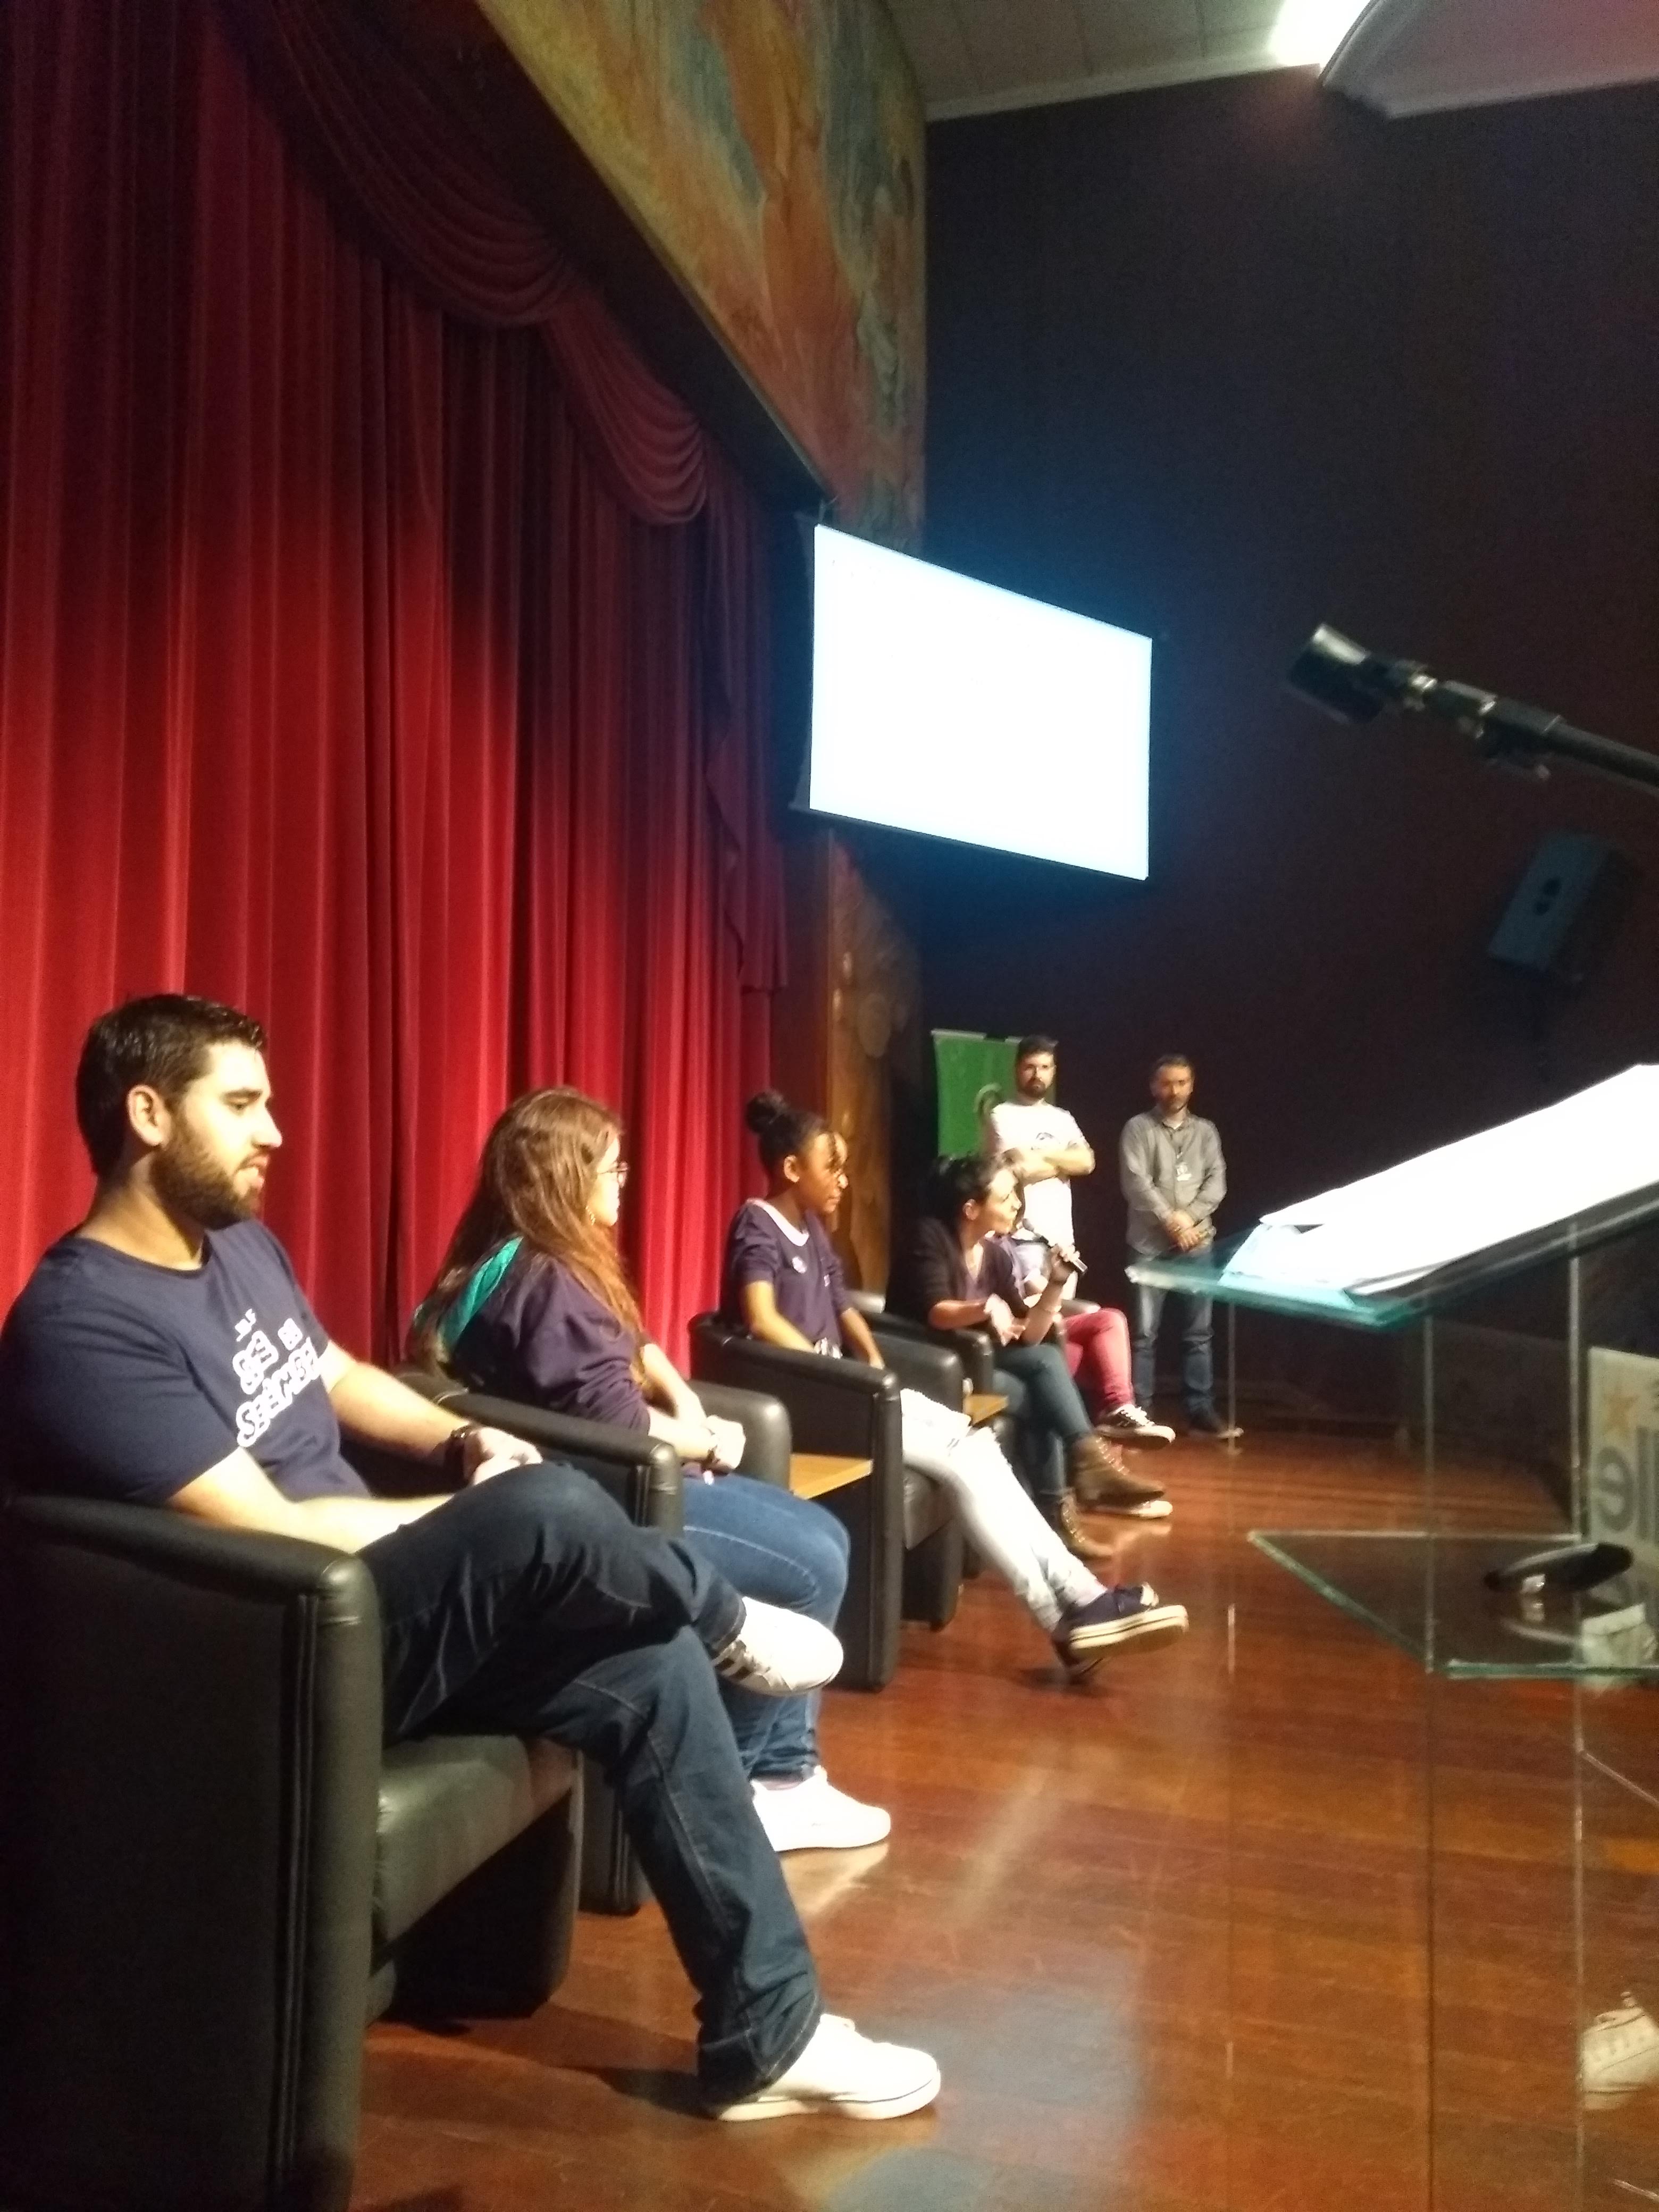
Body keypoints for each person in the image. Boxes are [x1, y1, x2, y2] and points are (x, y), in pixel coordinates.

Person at [0, 996, 940, 2123]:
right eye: (242, 1105)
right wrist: (468, 1520)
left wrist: (459, 1442)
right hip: (274, 1651)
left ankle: (768, 2033)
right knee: (548, 1504)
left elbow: (337, 1374)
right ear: (148, 1115)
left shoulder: (237, 1246)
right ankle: (722, 1614)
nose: (275, 1133)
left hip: (372, 1609)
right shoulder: (84, 1323)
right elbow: (259, 1526)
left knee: (646, 1661)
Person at [412, 1086, 888, 1857]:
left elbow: (634, 1348)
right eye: (613, 1167)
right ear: (568, 1174)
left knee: (825, 1534)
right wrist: (704, 1444)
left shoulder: (518, 1256)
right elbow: (618, 1428)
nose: (624, 1181)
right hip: (608, 1504)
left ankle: (786, 1773)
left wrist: (688, 1403)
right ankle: (751, 1788)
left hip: (603, 1480)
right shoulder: (548, 1282)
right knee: (813, 1561)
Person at [721, 1092, 1187, 1677]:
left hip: (853, 1390)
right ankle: (1062, 1615)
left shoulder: (814, 1231)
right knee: (962, 1460)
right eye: (830, 1167)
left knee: (978, 1444)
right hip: (810, 1400)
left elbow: (844, 1311)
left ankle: (1081, 1597)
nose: (842, 1179)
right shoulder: (757, 1224)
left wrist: (874, 1368)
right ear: (792, 1169)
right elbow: (762, 1319)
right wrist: (844, 1376)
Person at [887, 1154, 1173, 1553]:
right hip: (933, 1363)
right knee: (1041, 1391)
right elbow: (937, 1311)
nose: (1016, 1204)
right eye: (1005, 1198)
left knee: (1045, 1365)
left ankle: (1080, 1476)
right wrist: (984, 1307)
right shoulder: (930, 1237)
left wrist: (1056, 1284)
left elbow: (1031, 1334)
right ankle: (1071, 1496)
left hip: (979, 1359)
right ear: (971, 1209)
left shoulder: (997, 1254)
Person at [987, 1035, 1172, 1451]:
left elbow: (1086, 1161)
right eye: (1030, 1066)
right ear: (1017, 1069)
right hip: (1022, 1238)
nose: (1037, 1074)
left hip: (1060, 1240)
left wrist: (1043, 1158)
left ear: (1054, 1072)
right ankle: (1076, 1433)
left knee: (1066, 1330)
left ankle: (1100, 1420)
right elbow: (1019, 1168)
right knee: (1048, 1326)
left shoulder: (1063, 1116)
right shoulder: (1002, 1114)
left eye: (1045, 1067)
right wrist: (1060, 1159)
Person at [1120, 1053, 1241, 1441]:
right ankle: (1140, 1413)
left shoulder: (1206, 1132)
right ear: (1153, 1087)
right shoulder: (1138, 1128)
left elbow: (1217, 1183)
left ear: (1192, 1086)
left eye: (1182, 1083)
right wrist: (1172, 1222)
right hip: (1149, 1245)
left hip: (1197, 1244)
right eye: (1167, 1083)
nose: (1174, 1091)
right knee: (1144, 1335)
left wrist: (1188, 1218)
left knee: (1199, 1333)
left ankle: (1200, 1412)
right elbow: (1136, 1183)